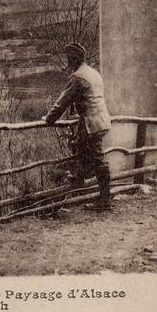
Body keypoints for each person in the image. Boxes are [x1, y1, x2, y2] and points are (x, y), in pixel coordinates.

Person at [42, 42, 112, 211]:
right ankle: (80, 184)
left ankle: (104, 200)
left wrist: (49, 119)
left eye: (69, 58)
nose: (68, 61)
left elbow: (62, 102)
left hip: (91, 122)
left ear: (74, 59)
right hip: (99, 119)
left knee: (97, 158)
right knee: (82, 150)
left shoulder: (78, 77)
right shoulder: (93, 72)